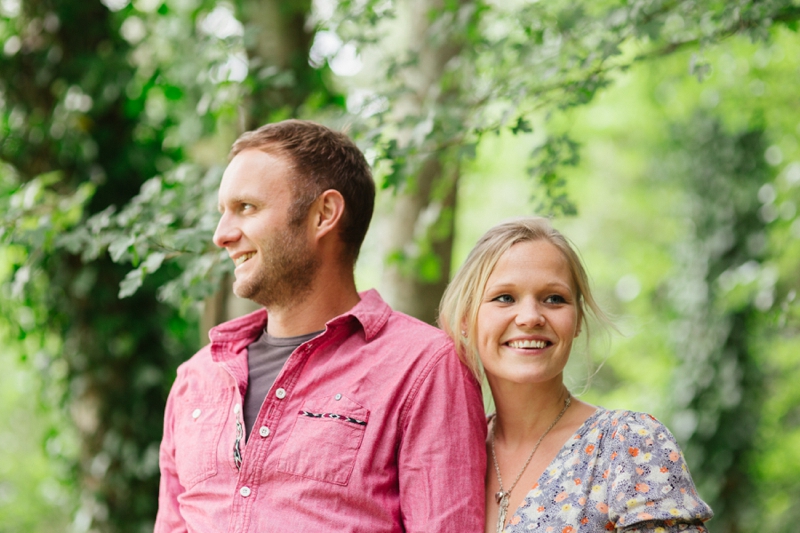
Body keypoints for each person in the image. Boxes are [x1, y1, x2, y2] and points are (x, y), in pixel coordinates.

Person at [155, 119, 486, 532]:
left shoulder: (424, 367)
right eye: (223, 212)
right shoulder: (197, 378)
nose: (222, 235)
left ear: (324, 214)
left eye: (246, 208)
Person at [439, 217, 713, 533]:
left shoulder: (627, 444)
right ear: (465, 319)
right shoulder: (449, 453)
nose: (530, 317)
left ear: (577, 319)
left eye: (554, 298)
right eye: (505, 298)